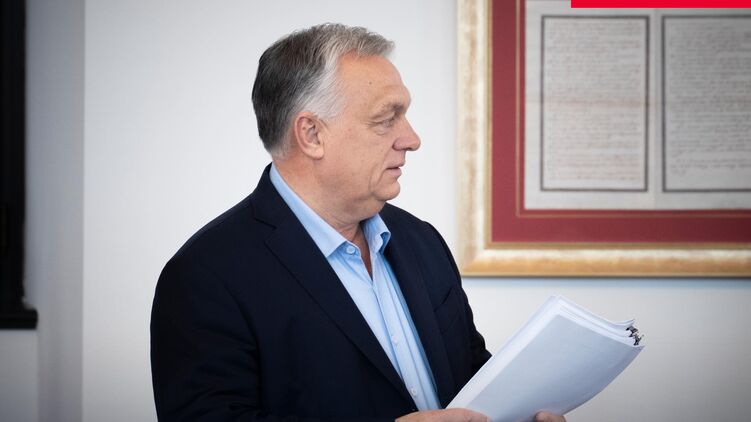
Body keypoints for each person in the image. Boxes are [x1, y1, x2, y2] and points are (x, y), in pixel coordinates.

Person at [150, 23, 566, 422]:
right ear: (312, 134)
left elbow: (471, 376)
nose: (412, 139)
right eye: (386, 119)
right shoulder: (205, 276)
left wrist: (518, 411)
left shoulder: (423, 242)